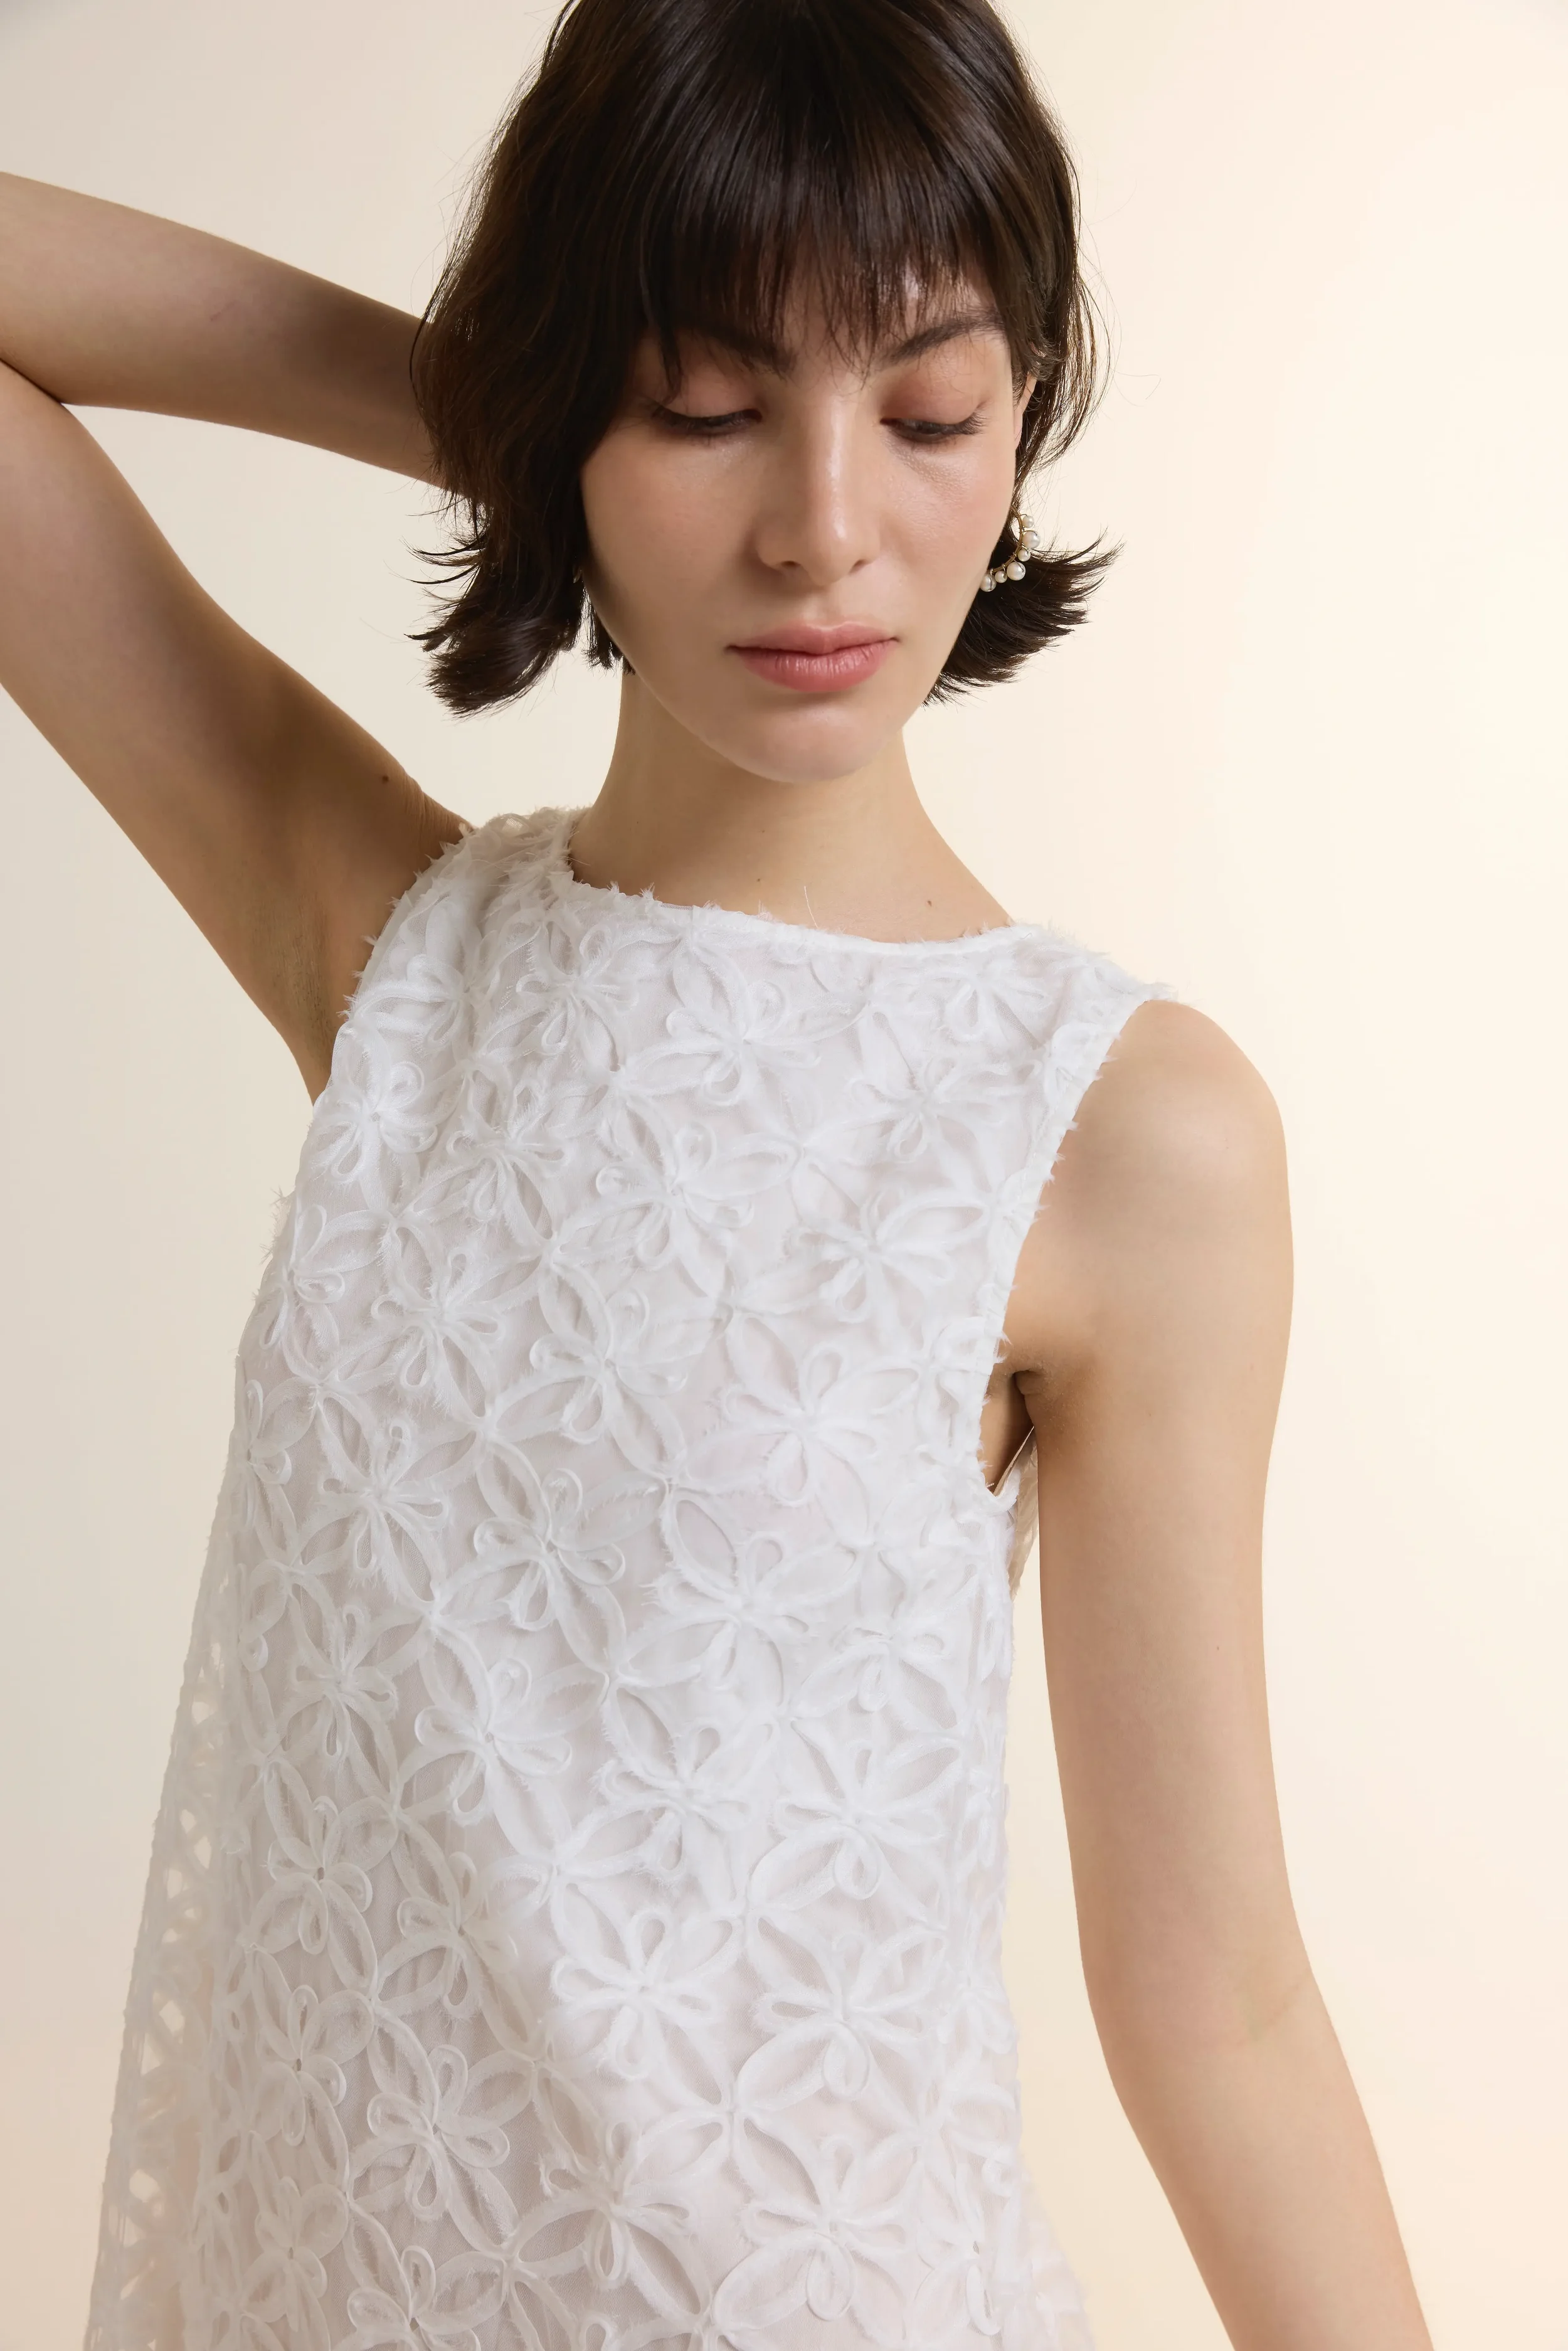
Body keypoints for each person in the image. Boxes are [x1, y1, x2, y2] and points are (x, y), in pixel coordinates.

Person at [0, 1, 1435, 2345]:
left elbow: (1220, 2009)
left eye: (930, 409)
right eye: (706, 401)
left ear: (1022, 419)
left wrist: (649, 407)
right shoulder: (391, 954)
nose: (824, 526)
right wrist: (520, 416)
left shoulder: (1113, 1130)